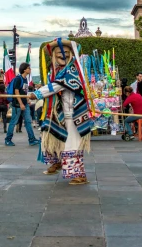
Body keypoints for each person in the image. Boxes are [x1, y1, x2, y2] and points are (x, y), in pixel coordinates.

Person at [29, 39, 93, 185]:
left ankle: (80, 174)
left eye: (66, 54)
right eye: (59, 54)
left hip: (74, 112)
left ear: (71, 55)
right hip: (63, 112)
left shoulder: (72, 70)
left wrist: (38, 94)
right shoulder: (58, 71)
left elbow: (56, 86)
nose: (63, 57)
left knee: (73, 144)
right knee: (54, 135)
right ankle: (58, 162)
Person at [6, 64, 40, 146]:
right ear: (24, 70)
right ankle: (8, 139)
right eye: (28, 68)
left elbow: (24, 92)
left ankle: (31, 139)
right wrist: (21, 103)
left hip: (25, 104)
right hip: (17, 105)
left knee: (28, 121)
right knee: (13, 122)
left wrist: (27, 100)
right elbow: (16, 92)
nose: (30, 69)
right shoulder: (18, 79)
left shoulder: (25, 79)